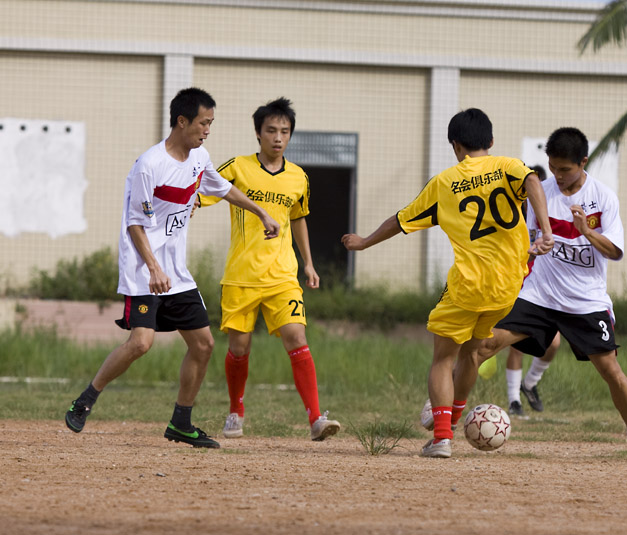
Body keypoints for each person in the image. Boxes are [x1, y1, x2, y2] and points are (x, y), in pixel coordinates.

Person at [65, 88, 281, 448]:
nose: (207, 130)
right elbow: (135, 224)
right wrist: (153, 267)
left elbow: (223, 189)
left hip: (175, 271)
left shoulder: (200, 158)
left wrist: (261, 212)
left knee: (203, 344)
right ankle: (86, 399)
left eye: (211, 123)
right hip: (143, 267)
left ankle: (181, 422)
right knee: (141, 343)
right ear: (182, 121)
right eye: (203, 123)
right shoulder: (150, 165)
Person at [342, 108, 553, 458]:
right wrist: (545, 230)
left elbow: (401, 220)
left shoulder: (443, 183)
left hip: (468, 286)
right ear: (491, 141)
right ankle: (451, 423)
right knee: (471, 353)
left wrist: (364, 242)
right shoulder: (508, 166)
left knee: (443, 358)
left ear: (455, 145)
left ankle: (441, 438)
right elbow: (532, 181)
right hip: (507, 288)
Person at [477, 127, 627, 457]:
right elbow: (528, 241)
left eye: (565, 169)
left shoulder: (603, 197)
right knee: (485, 344)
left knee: (611, 371)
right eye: (553, 167)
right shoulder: (540, 194)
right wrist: (533, 249)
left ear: (583, 162)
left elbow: (615, 251)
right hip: (540, 294)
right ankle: (442, 413)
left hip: (585, 301)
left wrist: (586, 230)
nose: (558, 176)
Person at [197, 97, 340, 441]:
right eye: (272, 130)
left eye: (285, 131)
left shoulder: (298, 177)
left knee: (297, 337)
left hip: (282, 275)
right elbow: (202, 188)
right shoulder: (238, 167)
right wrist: (183, 207)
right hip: (241, 276)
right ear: (258, 133)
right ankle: (235, 411)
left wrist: (308, 263)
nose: (278, 137)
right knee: (239, 348)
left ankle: (316, 418)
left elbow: (299, 218)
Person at [505, 164, 560, 417]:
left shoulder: (549, 216)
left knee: (554, 343)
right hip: (516, 282)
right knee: (517, 342)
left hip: (542, 285)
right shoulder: (513, 212)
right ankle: (514, 401)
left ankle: (529, 383)